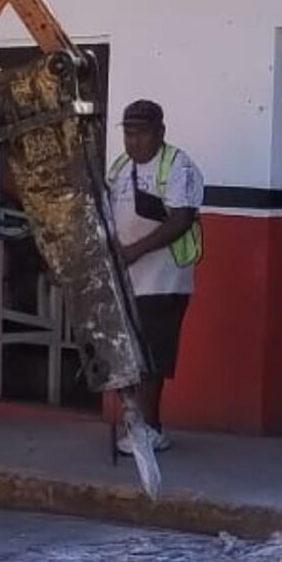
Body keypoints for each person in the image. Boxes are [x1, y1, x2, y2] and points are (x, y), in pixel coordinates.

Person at [106, 98, 201, 453]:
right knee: (129, 355)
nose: (134, 142)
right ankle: (137, 425)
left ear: (160, 132)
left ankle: (150, 428)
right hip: (126, 278)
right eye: (128, 134)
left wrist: (135, 251)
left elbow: (181, 219)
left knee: (151, 357)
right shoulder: (118, 168)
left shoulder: (180, 167)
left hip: (164, 279)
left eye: (142, 134)